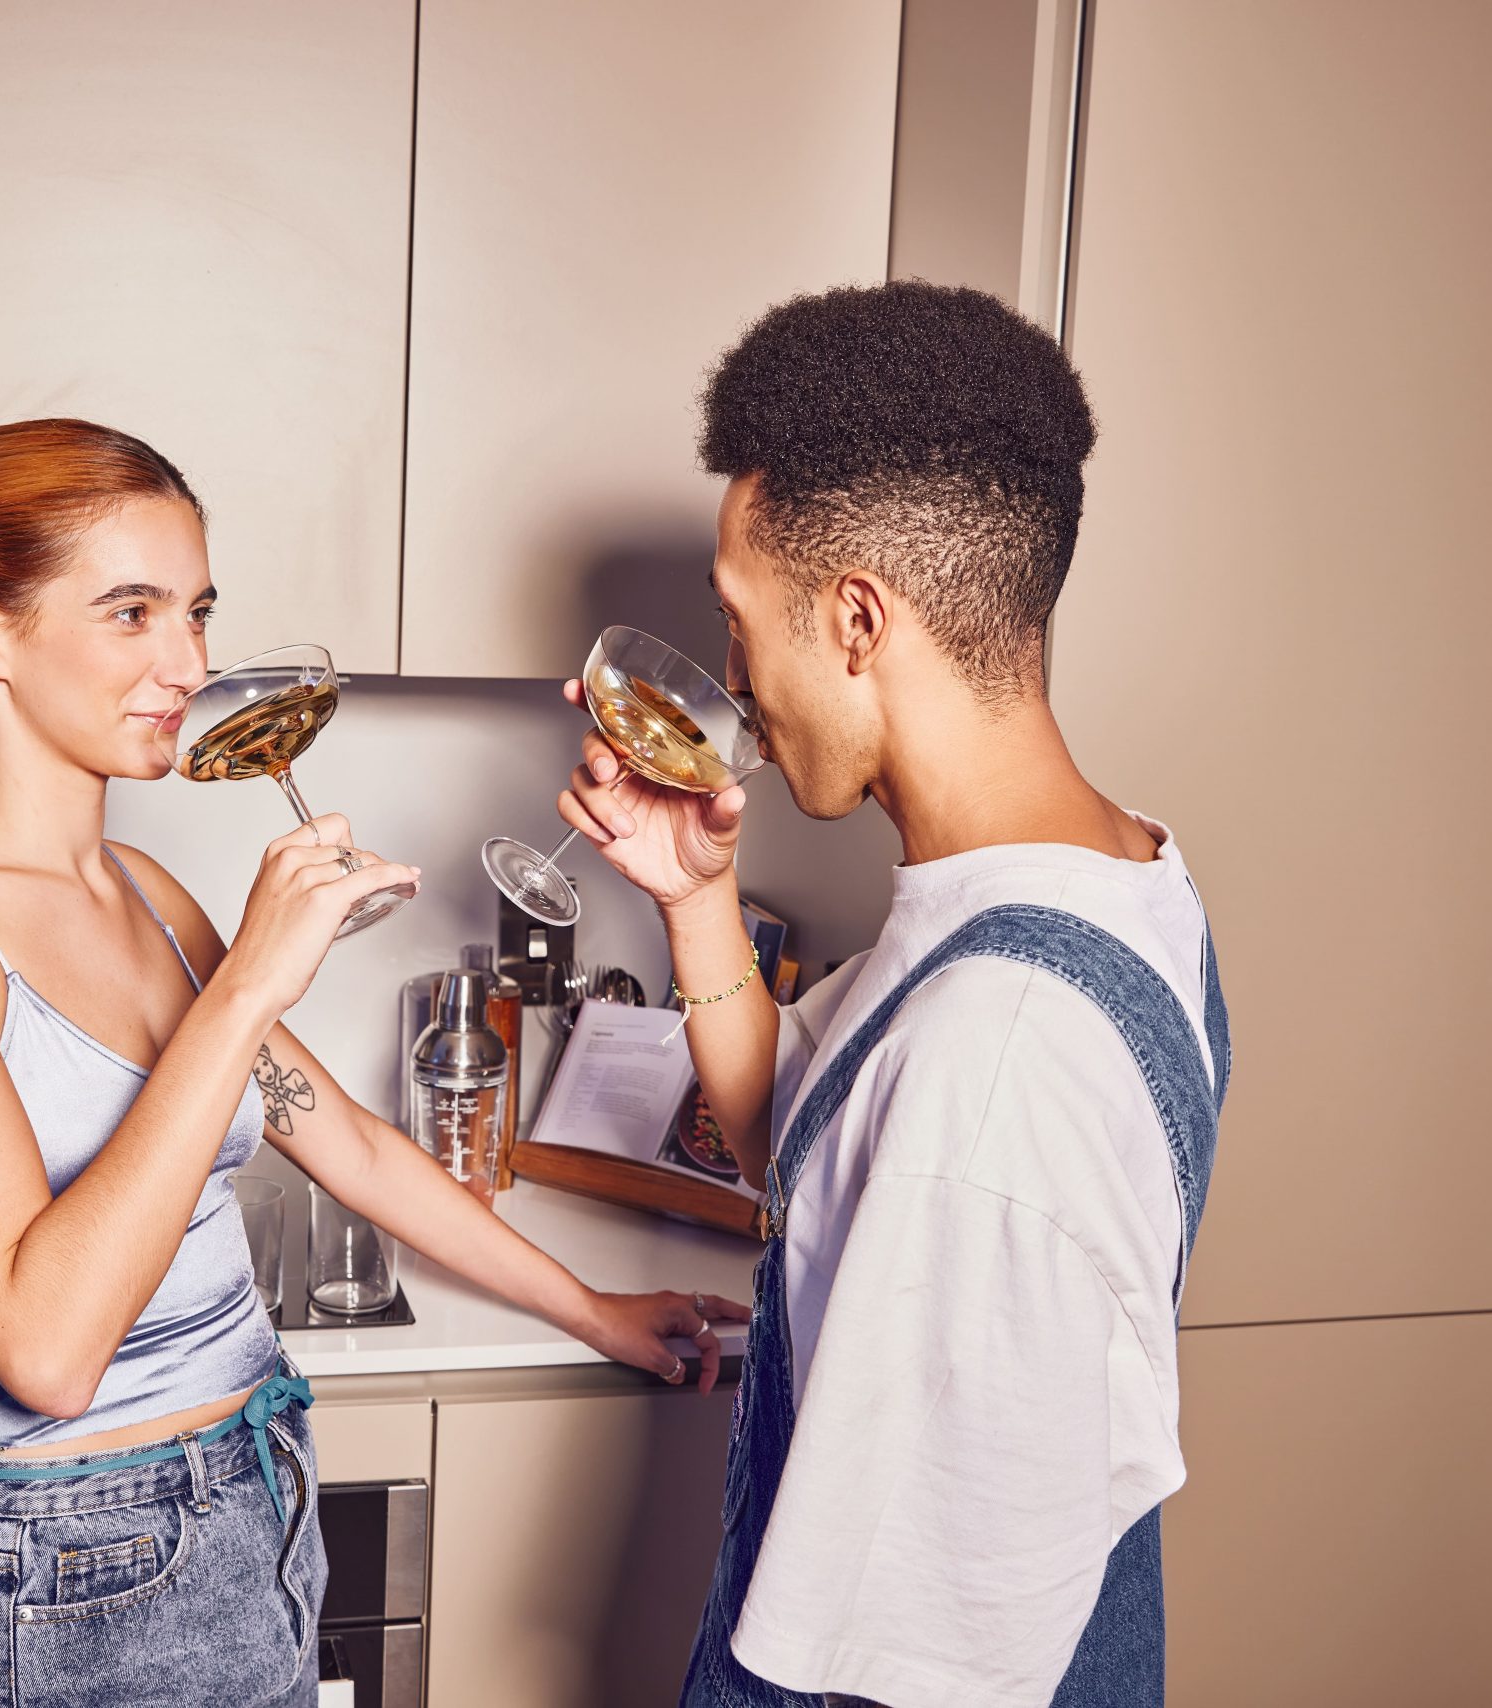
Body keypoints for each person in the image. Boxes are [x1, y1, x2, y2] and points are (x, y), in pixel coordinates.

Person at [0, 418, 740, 1708]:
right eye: (130, 613)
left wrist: (592, 1311)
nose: (188, 663)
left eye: (197, 612)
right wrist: (247, 983)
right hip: (61, 1575)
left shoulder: (145, 893)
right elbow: (46, 1353)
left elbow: (344, 1138)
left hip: (254, 1497)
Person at [555, 282, 1230, 1708]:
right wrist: (692, 898)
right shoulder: (1110, 881)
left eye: (743, 624)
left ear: (857, 621)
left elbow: (929, 1674)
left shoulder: (994, 1062)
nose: (733, 681)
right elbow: (789, 1145)